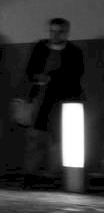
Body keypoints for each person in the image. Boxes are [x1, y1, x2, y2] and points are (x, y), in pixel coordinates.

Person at [22, 17, 85, 187]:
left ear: (66, 33)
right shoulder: (40, 48)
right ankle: (30, 173)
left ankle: (51, 175)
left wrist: (51, 77)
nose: (55, 35)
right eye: (52, 31)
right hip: (41, 98)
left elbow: (75, 75)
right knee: (35, 137)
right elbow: (30, 70)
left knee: (57, 138)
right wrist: (37, 78)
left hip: (63, 100)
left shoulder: (74, 52)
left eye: (59, 32)